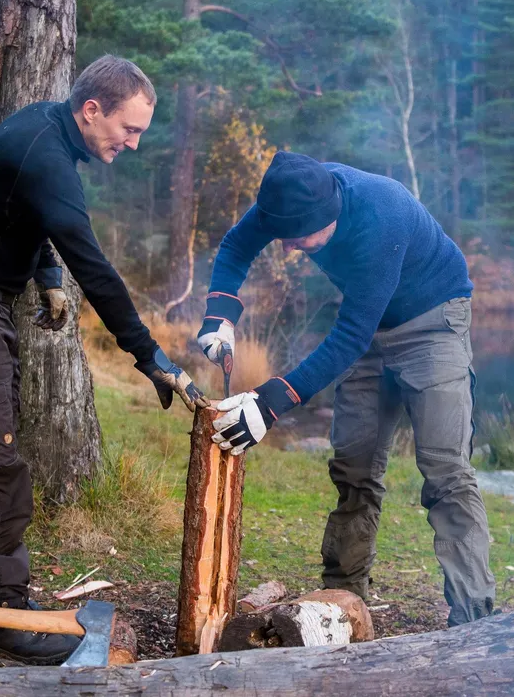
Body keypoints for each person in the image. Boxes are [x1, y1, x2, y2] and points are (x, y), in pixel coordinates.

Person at [0, 55, 208, 665]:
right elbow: (94, 269)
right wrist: (148, 355)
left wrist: (43, 273)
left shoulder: (43, 129)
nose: (134, 142)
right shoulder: (49, 158)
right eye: (129, 129)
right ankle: (5, 617)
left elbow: (21, 208)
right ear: (92, 109)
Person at [196, 151, 496, 626]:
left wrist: (271, 403)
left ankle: (473, 618)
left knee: (445, 472)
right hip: (370, 330)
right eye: (285, 237)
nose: (291, 249)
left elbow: (350, 335)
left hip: (433, 323)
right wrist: (220, 316)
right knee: (354, 468)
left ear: (330, 216)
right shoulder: (290, 194)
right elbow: (236, 245)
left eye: (299, 239)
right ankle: (342, 604)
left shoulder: (383, 215)